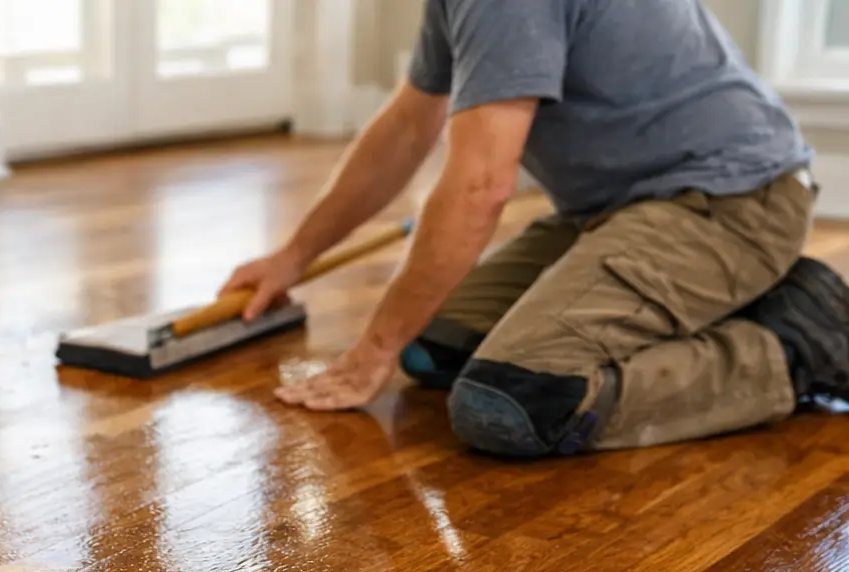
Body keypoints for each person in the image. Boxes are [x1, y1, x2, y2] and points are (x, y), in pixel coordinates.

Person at [223, 0, 849, 457]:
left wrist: (372, 353)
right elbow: (409, 128)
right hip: (618, 207)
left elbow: (480, 188)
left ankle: (792, 342)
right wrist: (293, 256)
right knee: (435, 348)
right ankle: (727, 298)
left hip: (733, 199)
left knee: (516, 400)